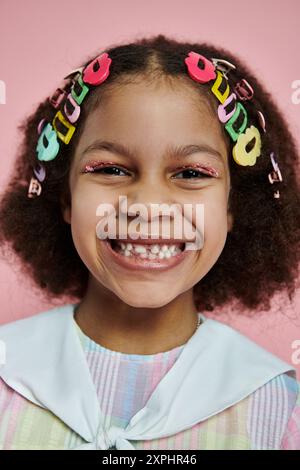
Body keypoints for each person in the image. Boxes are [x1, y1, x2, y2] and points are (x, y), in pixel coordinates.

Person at [0, 34, 299, 450]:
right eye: (111, 169)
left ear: (234, 207)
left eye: (192, 174)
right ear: (66, 197)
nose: (149, 205)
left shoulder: (281, 411)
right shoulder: (7, 368)